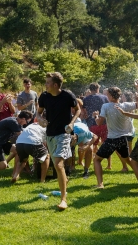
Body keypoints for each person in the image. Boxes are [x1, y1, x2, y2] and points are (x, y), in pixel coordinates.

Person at [37, 72, 80, 210]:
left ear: (55, 85)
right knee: (57, 165)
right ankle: (64, 181)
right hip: (50, 134)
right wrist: (41, 119)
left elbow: (78, 110)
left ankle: (63, 200)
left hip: (64, 133)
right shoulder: (44, 96)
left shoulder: (68, 96)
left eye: (48, 82)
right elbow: (38, 112)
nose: (46, 85)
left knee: (58, 163)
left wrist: (72, 123)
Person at [92, 87, 138, 188]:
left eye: (108, 95)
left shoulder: (106, 106)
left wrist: (95, 116)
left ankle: (100, 184)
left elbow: (99, 123)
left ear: (112, 96)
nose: (106, 96)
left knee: (97, 160)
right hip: (123, 139)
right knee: (128, 160)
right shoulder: (126, 105)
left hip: (112, 139)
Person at [13, 114, 49, 182]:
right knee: (46, 156)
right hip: (32, 142)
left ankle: (15, 175)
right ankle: (42, 180)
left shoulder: (32, 125)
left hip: (19, 142)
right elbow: (45, 144)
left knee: (23, 160)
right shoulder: (45, 127)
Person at [82, 83, 109, 161]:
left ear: (90, 90)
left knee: (92, 143)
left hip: (92, 123)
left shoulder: (86, 99)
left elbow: (84, 111)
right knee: (105, 143)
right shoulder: (104, 97)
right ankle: (109, 164)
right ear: (97, 89)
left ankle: (93, 158)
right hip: (103, 122)